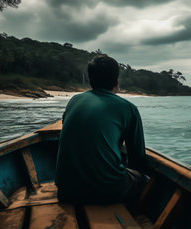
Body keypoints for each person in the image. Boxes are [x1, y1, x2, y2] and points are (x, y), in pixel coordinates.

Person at [55, 54, 148, 204]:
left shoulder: (74, 100)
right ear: (116, 81)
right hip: (105, 192)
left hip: (66, 190)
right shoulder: (128, 108)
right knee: (143, 179)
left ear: (90, 80)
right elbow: (138, 157)